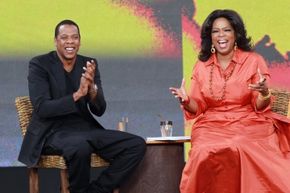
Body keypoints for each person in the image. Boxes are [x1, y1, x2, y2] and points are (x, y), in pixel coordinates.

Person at [18, 19, 146, 193]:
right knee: (79, 146)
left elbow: (99, 110)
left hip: (84, 130)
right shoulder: (40, 64)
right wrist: (78, 94)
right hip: (50, 132)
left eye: (75, 37)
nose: (70, 42)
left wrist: (92, 89)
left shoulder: (89, 64)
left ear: (80, 41)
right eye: (64, 38)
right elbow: (42, 108)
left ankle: (96, 190)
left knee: (136, 144)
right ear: (56, 41)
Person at [170, 9, 290, 193]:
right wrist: (186, 100)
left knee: (239, 144)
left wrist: (265, 93)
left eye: (226, 30)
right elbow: (199, 106)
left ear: (236, 34)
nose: (221, 36)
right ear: (210, 37)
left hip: (248, 121)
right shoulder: (202, 65)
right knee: (204, 150)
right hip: (211, 124)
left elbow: (259, 106)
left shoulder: (253, 60)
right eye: (216, 31)